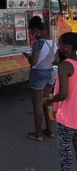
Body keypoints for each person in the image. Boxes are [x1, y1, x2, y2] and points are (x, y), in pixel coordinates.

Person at [44, 32, 77, 171]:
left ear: (66, 48)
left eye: (60, 44)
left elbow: (63, 94)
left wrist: (50, 99)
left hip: (67, 119)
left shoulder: (65, 65)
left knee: (66, 152)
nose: (58, 46)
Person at [23, 16, 59, 142]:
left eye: (32, 31)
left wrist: (28, 57)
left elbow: (33, 63)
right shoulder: (53, 42)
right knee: (47, 102)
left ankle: (38, 134)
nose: (32, 34)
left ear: (36, 29)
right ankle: (50, 130)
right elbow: (57, 60)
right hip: (50, 73)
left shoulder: (38, 43)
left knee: (37, 105)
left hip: (38, 74)